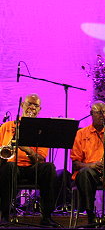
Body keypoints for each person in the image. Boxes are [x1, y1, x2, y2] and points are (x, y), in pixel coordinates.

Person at [0, 94, 59, 227]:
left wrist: (27, 149)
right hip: (12, 167)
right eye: (29, 104)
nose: (32, 107)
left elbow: (41, 158)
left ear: (39, 109)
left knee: (49, 167)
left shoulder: (41, 130)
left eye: (35, 105)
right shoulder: (7, 126)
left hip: (32, 168)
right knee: (8, 168)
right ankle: (4, 215)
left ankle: (47, 216)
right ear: (22, 105)